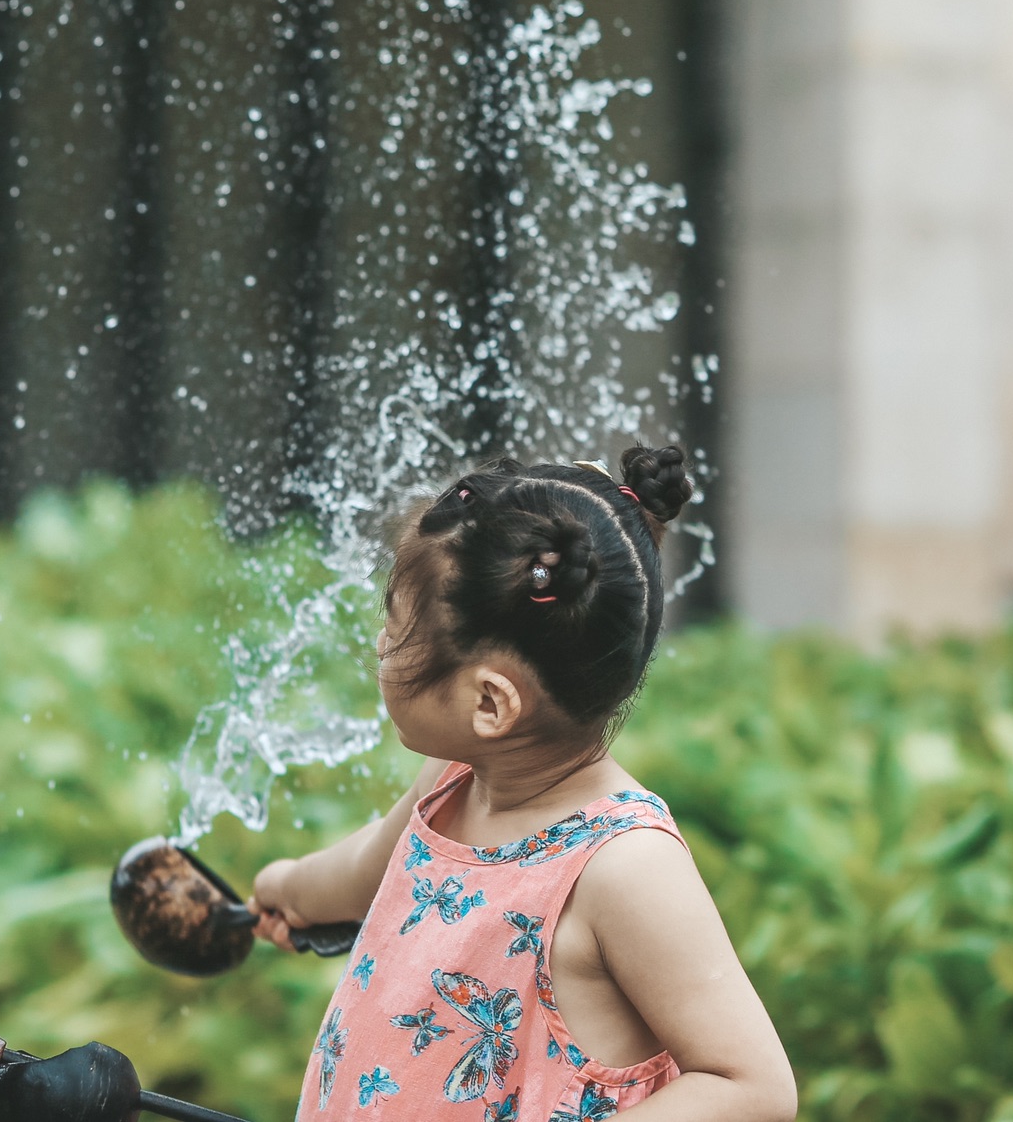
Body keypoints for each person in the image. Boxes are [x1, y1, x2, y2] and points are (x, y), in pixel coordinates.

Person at [250, 447, 796, 1121]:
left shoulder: (622, 866)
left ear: (490, 704)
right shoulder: (453, 782)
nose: (380, 648)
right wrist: (291, 887)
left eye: (396, 631)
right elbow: (370, 869)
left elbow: (750, 1086)